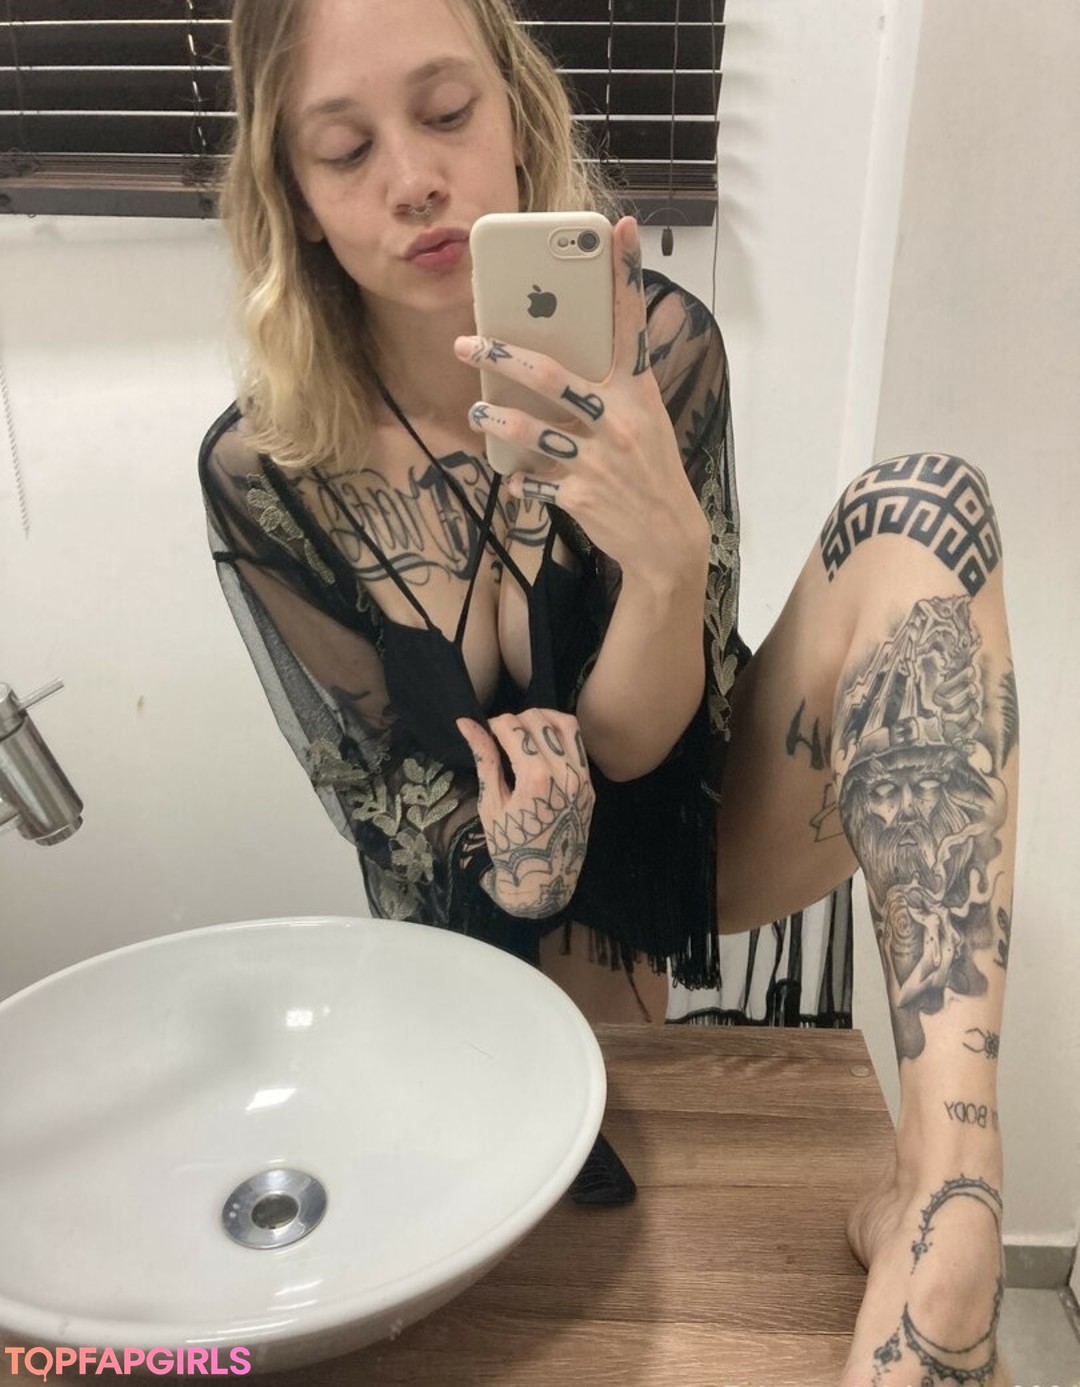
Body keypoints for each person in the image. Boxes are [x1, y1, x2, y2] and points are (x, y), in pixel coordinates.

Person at [199, 2, 1018, 1382]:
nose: (413, 179)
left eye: (448, 114)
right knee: (568, 1272)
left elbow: (645, 746)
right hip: (481, 905)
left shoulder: (657, 350)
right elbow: (389, 814)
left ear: (519, 116)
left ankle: (951, 1219)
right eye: (345, 150)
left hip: (686, 825)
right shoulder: (267, 469)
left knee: (924, 512)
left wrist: (666, 559)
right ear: (295, 201)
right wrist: (514, 864)